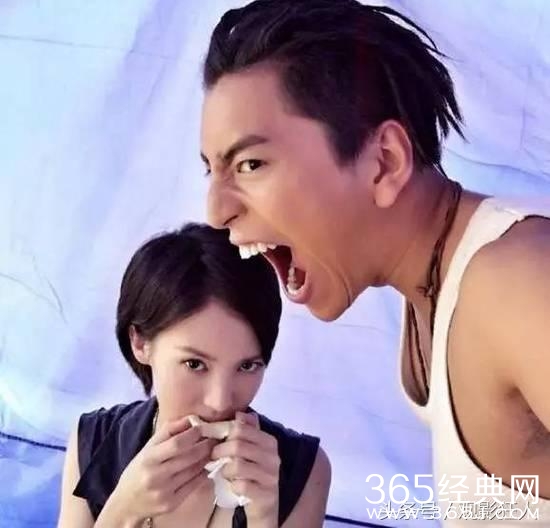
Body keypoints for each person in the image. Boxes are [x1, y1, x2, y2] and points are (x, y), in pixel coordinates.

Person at [200, 0, 550, 523]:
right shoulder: (432, 282)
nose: (215, 212)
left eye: (250, 164)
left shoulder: (517, 283)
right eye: (211, 170)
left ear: (384, 161)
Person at [57, 223, 331, 528]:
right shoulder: (93, 443)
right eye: (195, 364)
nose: (220, 402)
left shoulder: (303, 472)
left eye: (246, 366)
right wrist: (123, 510)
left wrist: (264, 519)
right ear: (140, 343)